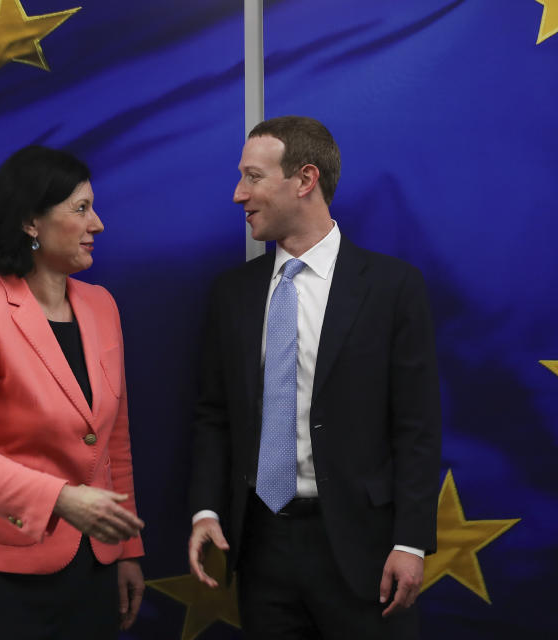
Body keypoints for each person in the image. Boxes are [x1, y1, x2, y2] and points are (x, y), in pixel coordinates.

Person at [187, 116, 441, 639]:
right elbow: (213, 414)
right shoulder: (231, 294)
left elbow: (417, 425)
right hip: (259, 548)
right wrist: (206, 508)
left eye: (253, 177)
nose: (239, 194)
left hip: (365, 550)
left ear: (305, 180)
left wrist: (411, 541)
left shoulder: (393, 288)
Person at [0, 146, 145, 639]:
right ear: (31, 222)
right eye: (81, 208)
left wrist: (126, 547)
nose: (99, 224)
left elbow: (114, 441)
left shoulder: (102, 306)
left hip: (92, 568)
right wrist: (61, 499)